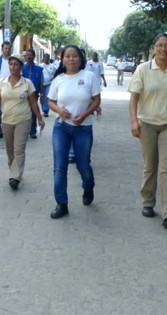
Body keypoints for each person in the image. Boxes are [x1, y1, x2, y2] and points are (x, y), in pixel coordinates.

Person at [128, 33, 167, 229]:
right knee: (150, 165)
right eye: (160, 45)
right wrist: (134, 122)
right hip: (147, 124)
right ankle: (148, 200)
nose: (163, 49)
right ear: (154, 47)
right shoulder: (143, 69)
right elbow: (134, 98)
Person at [47, 45, 101, 219]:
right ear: (63, 59)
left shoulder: (89, 77)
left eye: (74, 56)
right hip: (61, 127)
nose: (71, 59)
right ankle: (61, 203)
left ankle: (88, 186)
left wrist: (85, 114)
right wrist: (59, 111)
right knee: (59, 168)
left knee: (83, 165)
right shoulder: (58, 79)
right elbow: (51, 101)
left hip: (83, 128)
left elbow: (96, 100)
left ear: (80, 59)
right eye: (67, 56)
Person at [0, 55, 44, 191]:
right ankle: (14, 171)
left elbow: (33, 102)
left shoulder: (27, 83)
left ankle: (15, 177)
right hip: (7, 121)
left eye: (16, 64)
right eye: (11, 64)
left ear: (21, 67)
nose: (13, 67)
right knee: (10, 150)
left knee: (18, 149)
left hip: (23, 120)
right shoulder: (2, 82)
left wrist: (39, 118)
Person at [22, 49, 44, 138]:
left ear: (34, 57)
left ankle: (33, 131)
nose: (28, 57)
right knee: (23, 111)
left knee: (34, 111)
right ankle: (24, 130)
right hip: (23, 93)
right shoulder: (22, 67)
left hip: (34, 93)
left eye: (30, 55)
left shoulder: (39, 69)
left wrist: (42, 94)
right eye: (27, 55)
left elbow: (41, 82)